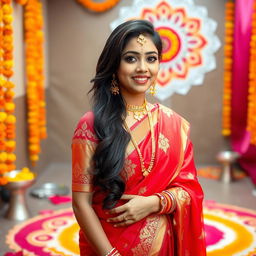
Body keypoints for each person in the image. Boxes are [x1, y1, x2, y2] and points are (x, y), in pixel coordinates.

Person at [72, 19, 206, 256]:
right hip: (108, 246)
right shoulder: (92, 125)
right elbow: (81, 203)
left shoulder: (173, 124)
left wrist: (155, 203)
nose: (143, 67)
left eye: (151, 58)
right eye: (131, 58)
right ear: (114, 65)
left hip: (162, 246)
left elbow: (190, 190)